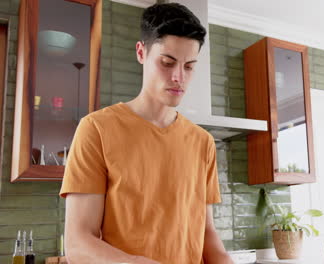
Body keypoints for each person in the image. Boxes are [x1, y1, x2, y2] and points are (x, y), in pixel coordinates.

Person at [59, 3, 233, 264]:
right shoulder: (96, 129)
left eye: (189, 67)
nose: (178, 77)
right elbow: (78, 243)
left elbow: (207, 235)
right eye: (167, 62)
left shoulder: (202, 142)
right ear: (141, 52)